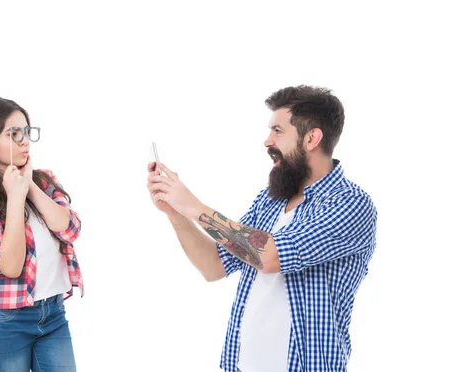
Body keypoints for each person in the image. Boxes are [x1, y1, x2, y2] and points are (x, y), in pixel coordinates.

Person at [146, 85, 377, 372]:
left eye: (278, 131)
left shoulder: (350, 204)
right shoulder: (271, 200)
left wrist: (193, 204)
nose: (267, 141)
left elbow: (269, 256)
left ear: (311, 138)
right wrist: (176, 213)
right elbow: (214, 265)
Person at [0, 97, 83, 372]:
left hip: (53, 314)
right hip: (6, 318)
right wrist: (15, 198)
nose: (24, 141)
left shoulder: (44, 180)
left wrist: (30, 187)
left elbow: (71, 230)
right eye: (14, 134)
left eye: (27, 132)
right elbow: (11, 267)